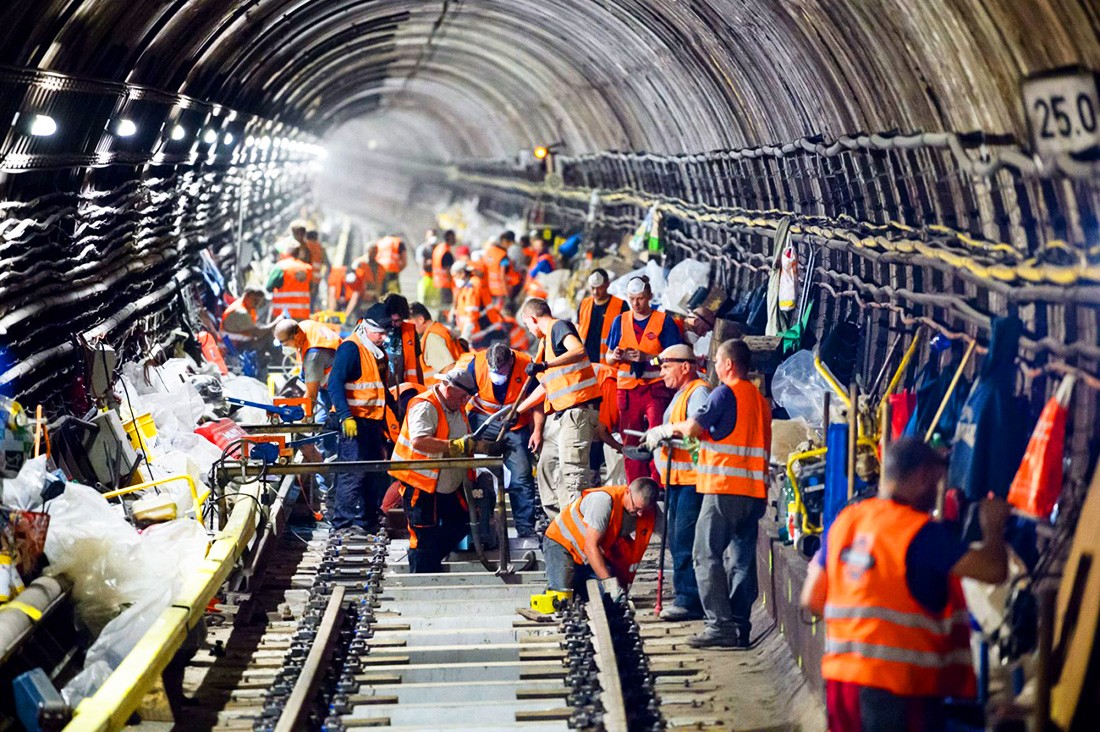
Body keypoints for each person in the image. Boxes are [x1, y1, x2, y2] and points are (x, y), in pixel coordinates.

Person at [801, 438, 1007, 731]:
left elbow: (811, 599)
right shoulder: (920, 532)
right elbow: (994, 571)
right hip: (895, 689)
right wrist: (993, 527)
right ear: (922, 476)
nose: (936, 493)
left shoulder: (846, 521)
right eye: (936, 483)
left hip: (841, 685)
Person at [657, 339, 769, 648]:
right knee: (742, 561)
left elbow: (694, 427)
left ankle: (719, 625)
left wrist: (664, 431)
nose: (714, 366)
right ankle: (739, 625)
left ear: (729, 365)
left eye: (717, 361)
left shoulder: (724, 392)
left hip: (724, 489)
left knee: (705, 554)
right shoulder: (759, 400)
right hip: (754, 492)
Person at [515, 298, 601, 522]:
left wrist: (545, 365)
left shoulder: (559, 327)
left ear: (532, 319)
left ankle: (578, 529)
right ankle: (561, 525)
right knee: (547, 465)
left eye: (527, 324)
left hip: (576, 412)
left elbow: (578, 350)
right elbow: (545, 386)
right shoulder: (545, 345)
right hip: (561, 415)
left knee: (572, 475)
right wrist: (517, 411)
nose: (529, 329)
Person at [642, 344, 711, 621]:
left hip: (692, 480)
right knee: (677, 539)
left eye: (666, 367)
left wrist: (666, 432)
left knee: (684, 540)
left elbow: (697, 428)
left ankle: (689, 600)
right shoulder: (681, 394)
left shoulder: (698, 392)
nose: (662, 373)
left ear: (685, 366)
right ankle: (684, 594)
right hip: (677, 479)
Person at [388, 369, 481, 573]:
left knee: (461, 522)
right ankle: (422, 574)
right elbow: (419, 441)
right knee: (423, 534)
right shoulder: (425, 406)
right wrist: (454, 446)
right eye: (462, 396)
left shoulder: (456, 406)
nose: (465, 401)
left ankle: (429, 562)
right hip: (420, 482)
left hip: (448, 483)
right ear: (448, 389)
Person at [605, 276, 682, 481]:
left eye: (639, 298)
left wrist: (648, 358)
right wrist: (615, 356)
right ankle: (637, 485)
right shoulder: (620, 321)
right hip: (628, 391)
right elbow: (608, 357)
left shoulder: (663, 321)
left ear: (649, 296)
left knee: (657, 436)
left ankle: (658, 483)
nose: (635, 304)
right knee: (630, 439)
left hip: (655, 389)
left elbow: (674, 357)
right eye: (631, 299)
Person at [465, 343, 543, 543]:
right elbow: (462, 395)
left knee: (521, 475)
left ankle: (525, 527)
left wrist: (536, 431)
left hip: (516, 425)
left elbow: (538, 401)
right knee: (474, 473)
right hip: (482, 420)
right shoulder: (476, 364)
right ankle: (481, 522)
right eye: (494, 371)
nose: (497, 375)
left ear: (511, 361)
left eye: (501, 371)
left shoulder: (526, 365)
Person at [326, 306, 391, 535]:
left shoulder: (376, 352)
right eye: (380, 333)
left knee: (373, 472)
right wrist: (345, 416)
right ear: (366, 327)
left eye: (385, 334)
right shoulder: (351, 348)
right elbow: (334, 384)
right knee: (352, 472)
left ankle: (367, 521)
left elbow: (380, 389)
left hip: (372, 421)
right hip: (354, 422)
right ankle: (341, 524)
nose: (383, 338)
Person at [543, 478, 659, 599]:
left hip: (585, 555)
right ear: (627, 491)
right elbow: (590, 547)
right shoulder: (602, 502)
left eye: (643, 510)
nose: (640, 514)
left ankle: (578, 582)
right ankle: (565, 584)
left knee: (606, 597)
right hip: (561, 544)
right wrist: (610, 585)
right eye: (636, 508)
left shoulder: (644, 509)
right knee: (562, 597)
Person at [577, 268, 625, 481]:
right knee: (590, 420)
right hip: (589, 372)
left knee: (602, 422)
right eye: (593, 288)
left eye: (599, 287)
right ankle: (593, 468)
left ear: (607, 285)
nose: (596, 292)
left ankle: (598, 467)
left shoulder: (619, 306)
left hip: (608, 374)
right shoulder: (585, 304)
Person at [273, 318, 342, 408]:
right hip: (332, 379)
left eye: (286, 345)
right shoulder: (304, 326)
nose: (284, 348)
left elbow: (311, 396)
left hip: (339, 390)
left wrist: (304, 414)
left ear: (296, 337)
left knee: (327, 415)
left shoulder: (312, 357)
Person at [410, 301, 462, 385]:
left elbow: (448, 368)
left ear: (420, 319)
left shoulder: (432, 337)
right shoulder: (439, 329)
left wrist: (445, 391)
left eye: (409, 323)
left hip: (438, 391)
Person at [382, 293, 424, 386]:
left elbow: (417, 365)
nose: (393, 324)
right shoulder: (375, 331)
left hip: (405, 388)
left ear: (403, 317)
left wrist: (421, 388)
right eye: (390, 320)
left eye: (397, 321)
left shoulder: (410, 332)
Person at [220, 288, 275, 353]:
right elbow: (258, 332)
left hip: (236, 340)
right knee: (266, 335)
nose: (256, 303)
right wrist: (276, 322)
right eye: (254, 300)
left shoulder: (246, 305)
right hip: (229, 347)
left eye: (259, 301)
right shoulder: (241, 312)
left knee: (265, 333)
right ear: (246, 296)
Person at [266, 245, 314, 320]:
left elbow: (269, 287)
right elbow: (311, 288)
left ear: (286, 253)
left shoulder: (280, 267)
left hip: (283, 315)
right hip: (302, 315)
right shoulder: (307, 268)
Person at [345, 243, 384, 320]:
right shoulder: (359, 263)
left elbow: (380, 283)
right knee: (355, 296)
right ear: (368, 251)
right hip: (360, 292)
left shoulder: (379, 266)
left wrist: (376, 293)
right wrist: (363, 291)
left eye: (376, 251)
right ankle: (347, 318)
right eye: (373, 251)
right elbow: (352, 279)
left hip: (374, 294)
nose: (374, 253)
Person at [483, 231, 515, 306]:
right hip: (500, 291)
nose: (511, 246)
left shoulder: (490, 251)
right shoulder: (503, 256)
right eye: (510, 243)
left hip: (489, 289)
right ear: (504, 241)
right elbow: (502, 276)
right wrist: (507, 293)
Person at [303, 223, 329, 310]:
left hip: (305, 278)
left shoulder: (304, 246)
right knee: (312, 301)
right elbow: (327, 263)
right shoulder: (321, 248)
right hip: (316, 280)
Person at [432, 230, 457, 310]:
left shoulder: (438, 248)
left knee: (441, 308)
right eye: (454, 237)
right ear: (449, 237)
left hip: (437, 282)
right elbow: (448, 270)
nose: (455, 240)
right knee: (446, 308)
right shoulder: (446, 252)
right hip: (446, 284)